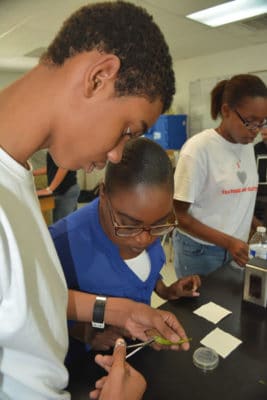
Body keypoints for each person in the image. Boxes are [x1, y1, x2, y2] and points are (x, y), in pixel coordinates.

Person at [0, 2, 187, 399]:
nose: (118, 155)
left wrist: (119, 312)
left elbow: (22, 306)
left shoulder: (14, 183)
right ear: (100, 77)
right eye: (126, 130)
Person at [49, 138, 200, 365]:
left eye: (159, 224)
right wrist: (85, 332)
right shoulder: (61, 244)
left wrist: (165, 290)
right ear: (102, 193)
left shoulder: (147, 222)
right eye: (129, 224)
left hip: (139, 355)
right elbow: (41, 308)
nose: (144, 238)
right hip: (87, 368)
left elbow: (144, 272)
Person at [173, 74, 267, 278]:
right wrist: (228, 242)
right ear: (226, 111)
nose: (256, 132)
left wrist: (258, 227)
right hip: (200, 251)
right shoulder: (198, 150)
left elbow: (235, 198)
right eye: (250, 122)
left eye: (262, 123)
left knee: (231, 307)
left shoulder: (246, 146)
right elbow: (177, 216)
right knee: (199, 309)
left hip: (236, 249)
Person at [34, 150, 80, 222]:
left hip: (65, 191)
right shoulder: (54, 147)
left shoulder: (62, 145)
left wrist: (50, 189)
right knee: (68, 225)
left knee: (62, 226)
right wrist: (32, 173)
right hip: (64, 190)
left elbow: (65, 166)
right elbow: (53, 168)